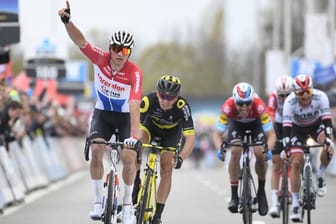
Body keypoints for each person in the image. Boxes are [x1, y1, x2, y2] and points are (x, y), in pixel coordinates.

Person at [58, 2, 143, 223]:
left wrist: (134, 136)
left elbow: (134, 104)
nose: (120, 54)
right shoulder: (100, 58)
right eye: (116, 49)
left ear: (129, 53)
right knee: (96, 149)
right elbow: (80, 41)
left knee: (128, 157)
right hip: (102, 114)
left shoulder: (134, 73)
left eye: (125, 51)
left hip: (125, 117)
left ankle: (127, 206)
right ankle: (97, 202)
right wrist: (68, 22)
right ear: (110, 48)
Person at [133, 75, 195, 224]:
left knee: (167, 168)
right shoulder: (148, 100)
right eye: (162, 96)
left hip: (172, 134)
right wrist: (135, 144)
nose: (166, 101)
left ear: (177, 97)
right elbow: (134, 126)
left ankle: (158, 215)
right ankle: (136, 181)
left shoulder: (183, 106)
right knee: (137, 143)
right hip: (150, 128)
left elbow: (191, 138)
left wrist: (181, 157)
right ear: (157, 92)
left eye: (170, 98)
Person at [213, 82, 276, 216]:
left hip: (256, 125)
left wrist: (268, 149)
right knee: (235, 151)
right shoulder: (227, 107)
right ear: (234, 101)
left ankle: (261, 191)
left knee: (260, 152)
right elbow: (217, 134)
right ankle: (234, 195)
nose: (244, 107)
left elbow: (271, 134)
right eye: (240, 104)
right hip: (236, 126)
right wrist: (220, 149)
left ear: (252, 100)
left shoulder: (259, 106)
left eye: (248, 103)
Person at [282, 74, 334, 222]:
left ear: (312, 90)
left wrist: (328, 140)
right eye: (300, 93)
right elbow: (286, 128)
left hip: (316, 126)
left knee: (329, 145)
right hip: (296, 130)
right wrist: (286, 148)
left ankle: (321, 174)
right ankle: (296, 204)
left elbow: (327, 120)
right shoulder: (289, 102)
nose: (305, 96)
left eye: (308, 92)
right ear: (294, 92)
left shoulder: (321, 97)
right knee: (296, 162)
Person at [266, 75, 293, 217]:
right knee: (276, 164)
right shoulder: (273, 97)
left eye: (288, 95)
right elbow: (269, 116)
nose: (284, 99)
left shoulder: (297, 97)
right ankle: (275, 203)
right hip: (277, 125)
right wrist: (272, 136)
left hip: (293, 124)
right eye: (281, 96)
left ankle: (294, 193)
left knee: (295, 160)